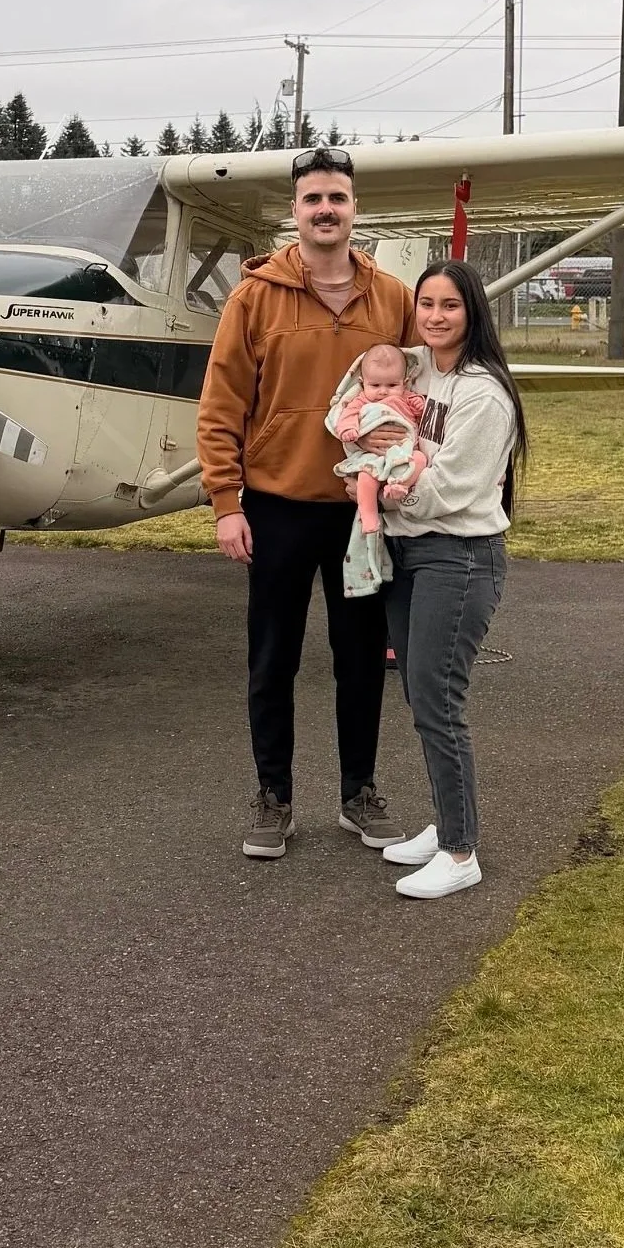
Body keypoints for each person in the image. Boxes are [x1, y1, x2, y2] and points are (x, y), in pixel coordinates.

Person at [197, 148, 416, 860]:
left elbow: (422, 396)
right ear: (295, 211)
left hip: (363, 513)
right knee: (273, 660)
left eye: (338, 199)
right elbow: (222, 404)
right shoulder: (254, 297)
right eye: (313, 199)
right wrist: (227, 502)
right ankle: (273, 798)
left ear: (355, 209)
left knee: (359, 659)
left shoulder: (392, 297)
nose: (326, 210)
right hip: (279, 507)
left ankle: (359, 793)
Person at [378, 258, 526, 900]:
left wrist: (379, 496)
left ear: (474, 313)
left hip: (459, 556)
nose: (435, 317)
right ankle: (446, 827)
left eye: (451, 306)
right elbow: (358, 395)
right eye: (427, 304)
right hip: (408, 553)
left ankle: (461, 852)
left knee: (439, 702)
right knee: (418, 693)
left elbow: (452, 486)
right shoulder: (415, 368)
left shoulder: (482, 392)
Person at [323, 343, 428, 599]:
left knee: (420, 459)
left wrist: (420, 406)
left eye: (391, 386)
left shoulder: (407, 397)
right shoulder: (359, 399)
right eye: (376, 386)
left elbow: (423, 411)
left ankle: (399, 483)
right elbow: (346, 416)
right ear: (362, 382)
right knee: (366, 479)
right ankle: (369, 518)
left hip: (400, 454)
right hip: (372, 457)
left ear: (404, 381)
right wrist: (351, 433)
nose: (383, 392)